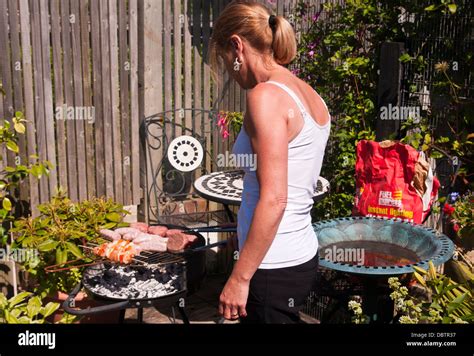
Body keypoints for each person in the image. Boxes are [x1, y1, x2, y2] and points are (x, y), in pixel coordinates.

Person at [209, 1, 331, 323]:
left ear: (237, 46)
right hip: (299, 255)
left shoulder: (265, 96)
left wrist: (239, 278)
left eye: (226, 63)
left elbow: (276, 199)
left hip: (270, 267)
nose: (231, 75)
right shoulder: (309, 94)